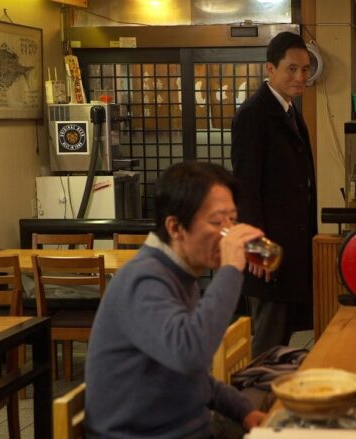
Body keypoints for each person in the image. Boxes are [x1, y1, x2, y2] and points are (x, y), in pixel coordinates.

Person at [85, 162, 266, 439]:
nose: (229, 233)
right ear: (175, 227)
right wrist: (230, 269)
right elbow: (190, 354)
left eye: (233, 220)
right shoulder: (143, 280)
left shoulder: (180, 274)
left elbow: (189, 376)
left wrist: (244, 411)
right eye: (218, 222)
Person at [231, 31, 318, 356]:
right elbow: (246, 188)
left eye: (305, 69)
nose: (300, 76)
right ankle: (256, 391)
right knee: (268, 341)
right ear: (270, 69)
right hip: (267, 250)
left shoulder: (291, 111)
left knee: (284, 338)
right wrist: (257, 248)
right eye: (291, 69)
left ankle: (275, 387)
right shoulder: (254, 114)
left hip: (290, 245)